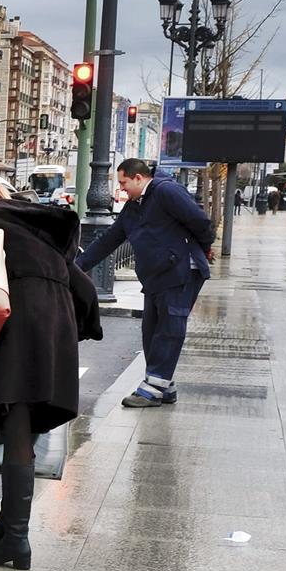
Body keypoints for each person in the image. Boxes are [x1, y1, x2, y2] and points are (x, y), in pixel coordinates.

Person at [0, 177, 102, 571]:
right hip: (55, 331)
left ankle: (17, 545)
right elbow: (83, 286)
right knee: (26, 430)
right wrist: (81, 328)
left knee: (17, 432)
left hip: (18, 334)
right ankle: (7, 526)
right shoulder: (37, 229)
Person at [76, 158, 215, 409]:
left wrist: (202, 249)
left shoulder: (166, 192)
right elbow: (109, 240)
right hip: (156, 275)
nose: (121, 189)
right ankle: (163, 385)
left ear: (139, 178)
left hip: (180, 270)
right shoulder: (133, 207)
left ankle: (152, 389)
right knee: (152, 330)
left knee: (169, 329)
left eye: (124, 182)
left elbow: (201, 222)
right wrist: (75, 268)